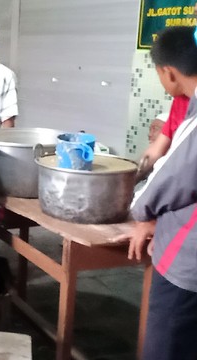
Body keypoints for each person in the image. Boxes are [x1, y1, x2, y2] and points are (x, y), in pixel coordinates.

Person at [116, 26, 197, 360]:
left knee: (166, 347)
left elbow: (173, 175)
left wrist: (136, 208)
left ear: (169, 72)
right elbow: (158, 153)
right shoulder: (186, 104)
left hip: (186, 265)